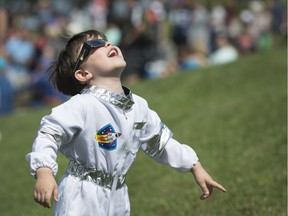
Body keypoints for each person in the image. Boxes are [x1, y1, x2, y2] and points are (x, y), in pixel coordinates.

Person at [25, 29, 227, 216]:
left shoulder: (138, 106)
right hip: (81, 196)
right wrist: (44, 170)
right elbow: (49, 132)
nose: (107, 44)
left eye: (106, 40)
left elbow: (160, 143)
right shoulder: (83, 105)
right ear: (83, 74)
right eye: (95, 44)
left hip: (118, 195)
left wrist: (194, 166)